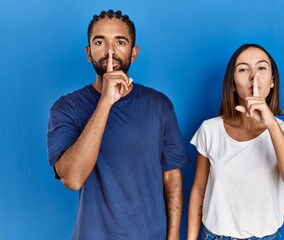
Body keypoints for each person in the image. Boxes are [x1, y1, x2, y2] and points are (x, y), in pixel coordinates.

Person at [47, 9, 190, 240]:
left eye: (120, 42)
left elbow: (172, 178)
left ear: (133, 53)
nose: (110, 51)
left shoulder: (159, 105)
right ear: (88, 52)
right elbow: (72, 179)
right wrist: (105, 102)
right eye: (100, 41)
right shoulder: (66, 108)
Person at [187, 44, 284, 240]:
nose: (254, 76)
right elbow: (198, 190)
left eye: (262, 68)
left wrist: (271, 124)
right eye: (244, 69)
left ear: (272, 81)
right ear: (232, 83)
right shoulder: (210, 129)